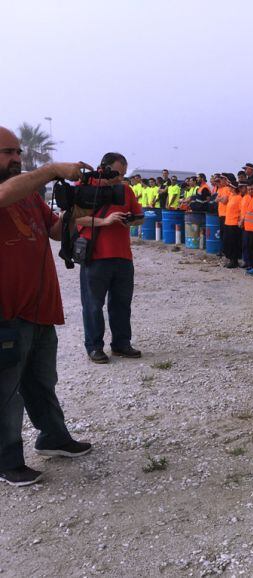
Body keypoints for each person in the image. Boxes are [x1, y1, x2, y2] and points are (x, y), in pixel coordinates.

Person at [0, 126, 94, 486]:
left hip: (39, 309)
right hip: (7, 313)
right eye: (8, 152)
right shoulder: (12, 191)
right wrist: (51, 169)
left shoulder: (28, 196)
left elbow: (55, 230)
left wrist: (80, 207)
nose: (16, 159)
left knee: (41, 382)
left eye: (18, 152)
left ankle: (54, 437)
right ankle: (7, 460)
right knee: (5, 391)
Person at [76, 152, 145, 364]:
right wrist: (105, 221)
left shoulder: (125, 190)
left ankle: (121, 344)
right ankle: (94, 347)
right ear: (103, 168)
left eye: (123, 174)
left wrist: (131, 220)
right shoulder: (84, 187)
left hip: (123, 257)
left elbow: (140, 217)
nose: (119, 178)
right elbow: (74, 217)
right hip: (95, 256)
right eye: (116, 174)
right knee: (93, 305)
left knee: (122, 304)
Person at [222, 180, 243, 268]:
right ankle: (230, 259)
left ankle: (234, 260)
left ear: (234, 188)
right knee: (228, 242)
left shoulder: (239, 198)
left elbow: (241, 211)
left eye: (231, 187)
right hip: (228, 222)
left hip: (234, 224)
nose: (229, 188)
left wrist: (240, 221)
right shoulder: (231, 196)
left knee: (233, 243)